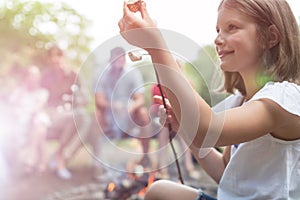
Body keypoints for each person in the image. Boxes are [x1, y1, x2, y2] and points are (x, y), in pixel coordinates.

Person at [118, 0, 300, 199]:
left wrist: (157, 47)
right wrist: (183, 128)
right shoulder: (241, 101)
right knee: (159, 191)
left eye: (232, 28)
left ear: (270, 37)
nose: (218, 39)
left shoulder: (284, 100)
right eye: (218, 30)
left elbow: (207, 130)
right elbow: (225, 173)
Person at [93, 47, 152, 177]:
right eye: (115, 60)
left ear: (124, 60)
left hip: (130, 117)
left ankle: (145, 157)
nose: (118, 63)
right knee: (96, 114)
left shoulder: (133, 73)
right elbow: (99, 100)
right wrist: (114, 106)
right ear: (110, 60)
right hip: (109, 116)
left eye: (121, 59)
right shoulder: (101, 74)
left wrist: (131, 107)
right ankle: (98, 162)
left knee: (143, 113)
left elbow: (140, 98)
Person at [41, 45, 91, 180]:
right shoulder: (46, 76)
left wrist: (78, 98)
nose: (55, 59)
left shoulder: (73, 74)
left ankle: (60, 157)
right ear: (48, 59)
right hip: (53, 115)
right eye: (51, 56)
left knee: (82, 119)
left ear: (64, 57)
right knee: (80, 118)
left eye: (58, 55)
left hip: (71, 114)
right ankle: (61, 158)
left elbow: (86, 99)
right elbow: (42, 99)